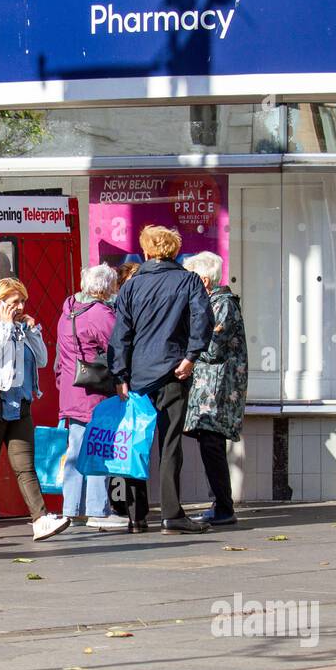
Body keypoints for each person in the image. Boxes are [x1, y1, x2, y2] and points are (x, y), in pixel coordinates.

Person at [109, 225, 214, 535]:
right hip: (173, 371)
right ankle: (171, 514)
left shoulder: (131, 286)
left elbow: (120, 336)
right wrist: (191, 357)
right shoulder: (188, 281)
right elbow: (203, 320)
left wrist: (120, 375)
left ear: (146, 251)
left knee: (136, 444)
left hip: (139, 376)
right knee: (170, 446)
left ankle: (136, 517)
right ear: (173, 251)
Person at [0, 278, 70, 544]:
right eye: (13, 302)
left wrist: (31, 331)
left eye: (22, 301)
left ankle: (40, 519)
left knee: (25, 466)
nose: (20, 306)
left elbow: (43, 359)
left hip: (19, 404)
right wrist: (7, 326)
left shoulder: (21, 328)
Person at [54, 264, 125, 530]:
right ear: (106, 287)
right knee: (97, 449)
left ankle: (71, 509)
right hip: (94, 392)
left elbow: (62, 356)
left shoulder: (68, 309)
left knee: (75, 452)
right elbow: (117, 348)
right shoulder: (99, 313)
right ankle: (97, 510)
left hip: (71, 391)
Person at [183, 252, 248, 527]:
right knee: (210, 445)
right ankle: (219, 504)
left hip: (218, 389)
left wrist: (185, 350)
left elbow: (211, 347)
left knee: (212, 444)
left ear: (204, 280)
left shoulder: (223, 305)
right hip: (208, 388)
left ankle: (224, 506)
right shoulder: (211, 303)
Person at [107, 261, 144, 528]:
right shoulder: (118, 306)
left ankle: (133, 510)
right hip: (123, 383)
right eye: (132, 277)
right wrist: (121, 377)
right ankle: (122, 505)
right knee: (122, 446)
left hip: (133, 380)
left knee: (130, 446)